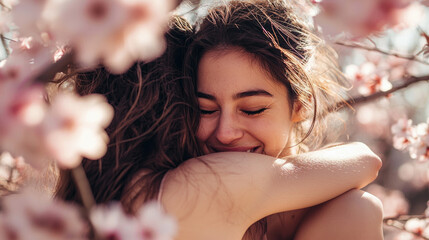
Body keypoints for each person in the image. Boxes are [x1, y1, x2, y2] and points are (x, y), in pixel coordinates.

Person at [56, 1, 383, 240]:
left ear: (301, 106)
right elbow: (366, 160)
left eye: (253, 109)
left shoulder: (103, 200)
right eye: (204, 109)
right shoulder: (204, 184)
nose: (225, 133)